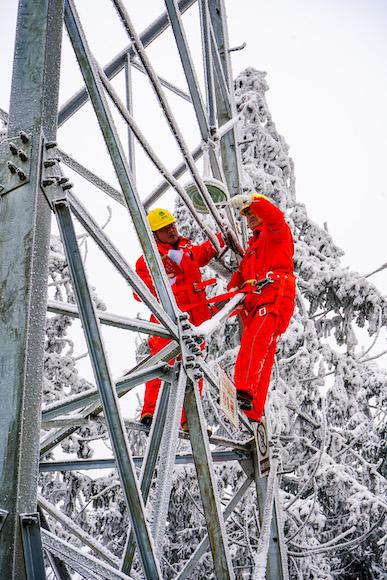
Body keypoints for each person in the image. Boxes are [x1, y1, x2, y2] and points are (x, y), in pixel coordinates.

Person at [135, 208, 223, 431]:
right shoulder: (149, 258)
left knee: (194, 367)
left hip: (195, 319)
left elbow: (202, 253)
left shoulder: (186, 248)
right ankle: (150, 412)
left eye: (172, 226)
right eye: (165, 229)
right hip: (168, 319)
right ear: (154, 235)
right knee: (163, 363)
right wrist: (166, 281)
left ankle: (189, 419)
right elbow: (139, 292)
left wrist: (223, 237)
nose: (171, 231)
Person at [228, 193, 296, 423]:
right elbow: (243, 275)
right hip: (257, 300)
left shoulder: (276, 233)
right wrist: (231, 294)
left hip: (275, 295)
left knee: (255, 342)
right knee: (263, 353)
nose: (249, 218)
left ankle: (244, 390)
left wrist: (254, 201)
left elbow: (275, 216)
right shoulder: (254, 247)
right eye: (246, 215)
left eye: (251, 213)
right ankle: (252, 409)